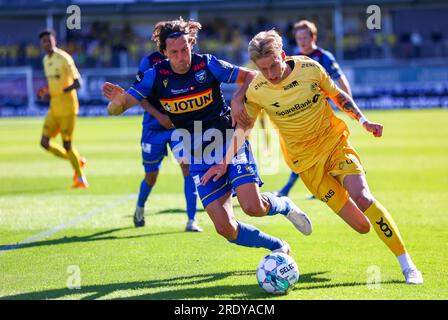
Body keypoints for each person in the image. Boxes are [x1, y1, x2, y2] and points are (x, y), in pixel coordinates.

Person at [102, 18, 312, 256]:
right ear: (164, 53)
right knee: (225, 228)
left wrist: (238, 97)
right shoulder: (154, 76)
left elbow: (251, 76)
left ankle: (284, 205)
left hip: (229, 142)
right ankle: (277, 246)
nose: (182, 57)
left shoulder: (207, 64)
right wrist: (116, 104)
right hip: (198, 155)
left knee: (253, 207)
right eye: (175, 52)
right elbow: (118, 108)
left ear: (191, 44)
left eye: (185, 49)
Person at [227, 30, 422, 284]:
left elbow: (337, 95)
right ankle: (283, 203)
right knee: (362, 226)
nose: (271, 74)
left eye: (274, 65)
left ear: (282, 56)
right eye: (263, 69)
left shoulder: (310, 68)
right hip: (306, 164)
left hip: (333, 145)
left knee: (363, 197)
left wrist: (363, 121)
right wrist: (225, 161)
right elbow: (245, 128)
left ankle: (408, 266)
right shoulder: (257, 89)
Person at [274, 20, 352, 199]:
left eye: (304, 37)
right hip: (301, 114)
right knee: (308, 151)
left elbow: (341, 80)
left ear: (313, 37)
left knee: (309, 151)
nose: (301, 41)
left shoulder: (324, 57)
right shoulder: (296, 59)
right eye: (298, 37)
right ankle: (325, 187)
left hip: (320, 114)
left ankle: (288, 189)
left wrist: (348, 104)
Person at [133, 49, 202, 232]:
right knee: (151, 176)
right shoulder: (149, 62)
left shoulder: (185, 61)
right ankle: (140, 207)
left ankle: (191, 219)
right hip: (153, 129)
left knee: (187, 167)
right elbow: (139, 95)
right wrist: (159, 116)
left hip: (176, 127)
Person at [37, 29, 88, 189]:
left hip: (68, 109)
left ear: (54, 40)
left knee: (67, 144)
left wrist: (62, 91)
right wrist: (47, 92)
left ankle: (81, 179)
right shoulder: (46, 60)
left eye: (49, 40)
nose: (47, 43)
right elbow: (53, 84)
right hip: (54, 109)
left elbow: (78, 83)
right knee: (44, 143)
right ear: (41, 44)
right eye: (44, 41)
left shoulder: (65, 58)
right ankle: (77, 161)